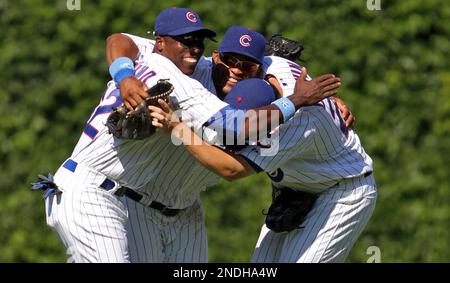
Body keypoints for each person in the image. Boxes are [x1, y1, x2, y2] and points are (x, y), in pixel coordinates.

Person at [36, 7, 340, 263]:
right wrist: (296, 101)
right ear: (159, 43)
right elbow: (119, 39)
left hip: (176, 210)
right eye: (184, 40)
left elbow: (282, 89)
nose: (193, 48)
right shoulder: (175, 74)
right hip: (99, 190)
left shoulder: (232, 80)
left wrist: (327, 103)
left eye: (198, 41)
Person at [149, 54, 377, 263]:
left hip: (342, 192)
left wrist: (177, 128)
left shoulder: (289, 128)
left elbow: (231, 169)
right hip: (296, 188)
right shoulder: (270, 66)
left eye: (251, 127)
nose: (243, 131)